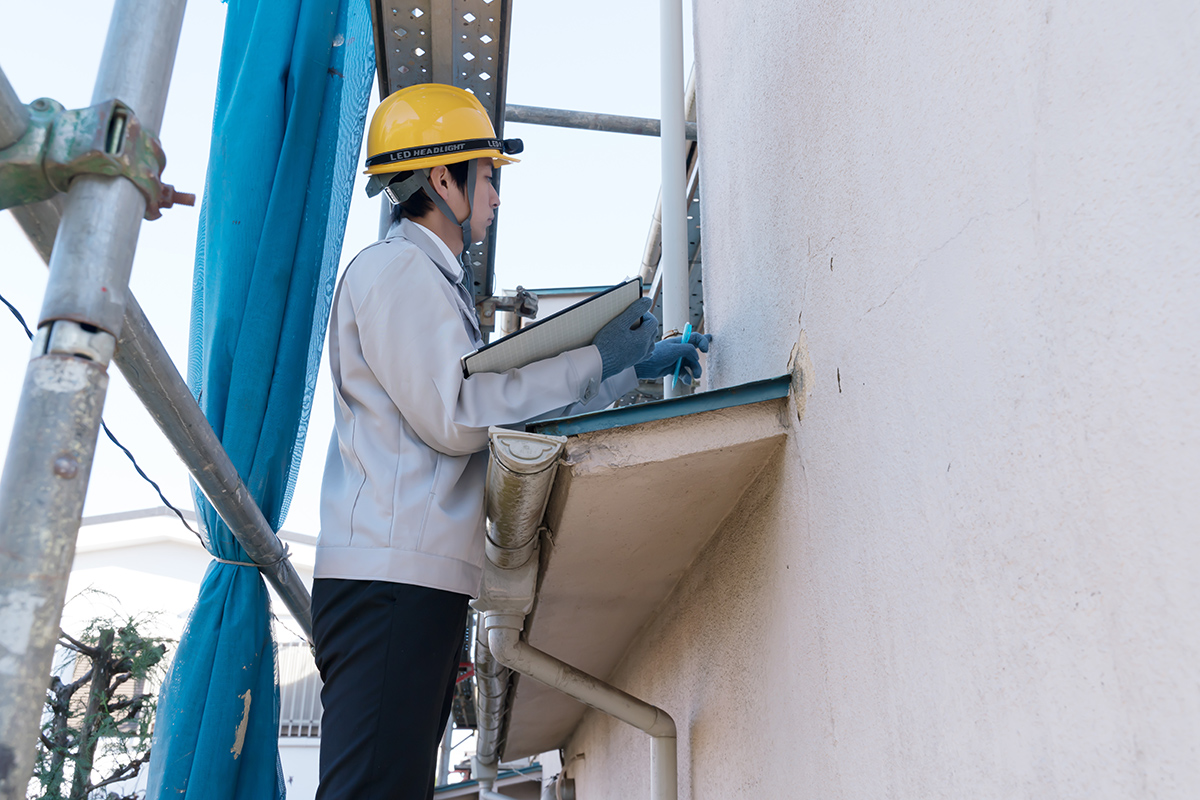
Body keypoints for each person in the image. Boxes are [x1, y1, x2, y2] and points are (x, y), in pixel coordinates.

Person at [311, 83, 710, 800]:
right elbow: (459, 415)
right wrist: (595, 359)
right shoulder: (400, 271)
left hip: (411, 580)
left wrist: (622, 374)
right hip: (391, 582)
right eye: (488, 174)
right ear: (442, 177)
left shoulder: (426, 278)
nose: (496, 194)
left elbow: (493, 414)